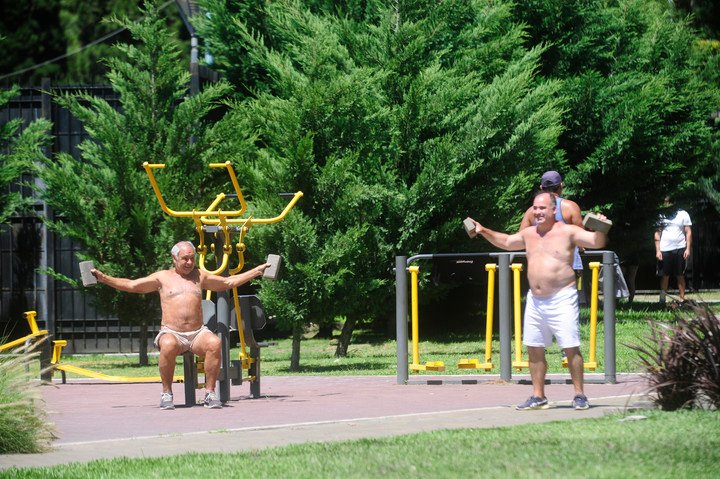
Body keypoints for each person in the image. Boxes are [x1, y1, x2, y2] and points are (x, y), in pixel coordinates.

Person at [467, 192, 608, 411]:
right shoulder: (529, 234)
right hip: (535, 300)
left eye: (542, 208)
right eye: (535, 208)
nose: (538, 212)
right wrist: (483, 230)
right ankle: (538, 395)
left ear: (554, 210)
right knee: (534, 348)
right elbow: (506, 242)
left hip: (562, 296)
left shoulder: (568, 231)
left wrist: (601, 227)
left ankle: (579, 394)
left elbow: (595, 242)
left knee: (570, 347)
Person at [91, 241, 270, 410]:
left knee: (214, 343)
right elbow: (132, 285)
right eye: (185, 258)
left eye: (192, 258)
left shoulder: (200, 276)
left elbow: (227, 283)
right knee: (168, 345)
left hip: (197, 333)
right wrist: (103, 278)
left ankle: (209, 393)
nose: (189, 262)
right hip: (172, 332)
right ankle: (167, 394)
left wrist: (257, 271)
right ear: (174, 259)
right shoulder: (162, 277)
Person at [519, 171, 586, 305]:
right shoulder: (570, 207)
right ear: (561, 186)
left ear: (541, 188)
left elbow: (521, 239)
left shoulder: (532, 211)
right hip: (569, 265)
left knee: (544, 302)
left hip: (540, 266)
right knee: (567, 301)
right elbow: (581, 238)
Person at [654, 197, 692, 304]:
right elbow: (657, 233)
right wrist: (658, 250)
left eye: (669, 203)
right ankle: (662, 299)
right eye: (665, 203)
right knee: (665, 275)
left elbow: (688, 231)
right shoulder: (661, 215)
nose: (667, 205)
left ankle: (682, 299)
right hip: (665, 249)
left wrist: (688, 248)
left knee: (680, 274)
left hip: (679, 248)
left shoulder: (683, 214)